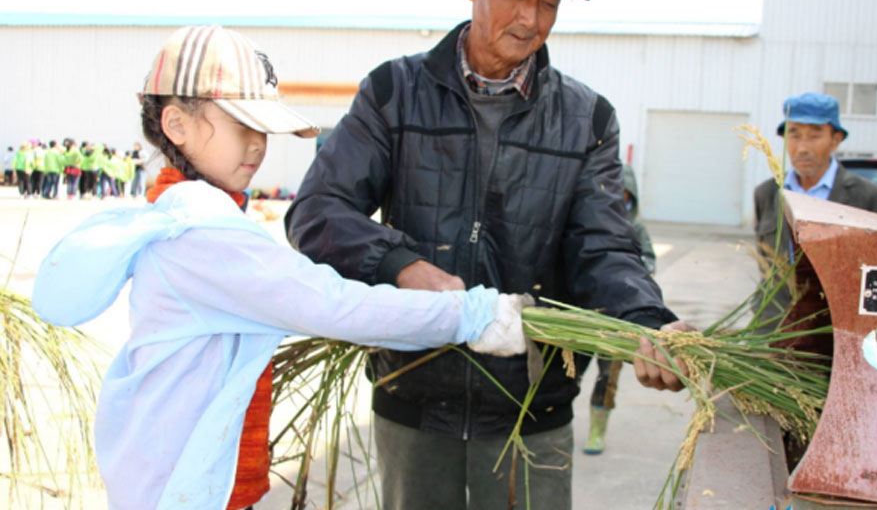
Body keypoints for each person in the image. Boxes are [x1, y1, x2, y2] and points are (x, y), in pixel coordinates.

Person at [31, 25, 532, 510]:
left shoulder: (189, 216)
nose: (256, 144)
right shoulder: (203, 236)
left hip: (189, 478)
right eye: (241, 125)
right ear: (176, 124)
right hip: (184, 489)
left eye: (263, 130)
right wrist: (472, 314)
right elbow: (334, 305)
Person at [285, 0, 680, 508]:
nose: (531, 18)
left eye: (548, 2)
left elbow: (605, 245)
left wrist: (645, 320)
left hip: (530, 407)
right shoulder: (393, 92)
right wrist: (400, 264)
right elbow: (318, 211)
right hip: (413, 395)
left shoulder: (586, 118)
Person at [752, 91, 877, 352]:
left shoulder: (867, 196)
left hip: (838, 339)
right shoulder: (767, 194)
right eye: (794, 134)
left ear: (835, 140)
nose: (802, 147)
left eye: (814, 135)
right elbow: (765, 269)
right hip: (773, 332)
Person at [583, 163, 656, 455]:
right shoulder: (588, 223)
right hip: (584, 316)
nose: (618, 198)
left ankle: (597, 430)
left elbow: (649, 261)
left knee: (606, 377)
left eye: (623, 194)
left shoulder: (635, 229)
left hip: (616, 321)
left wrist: (628, 274)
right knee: (569, 373)